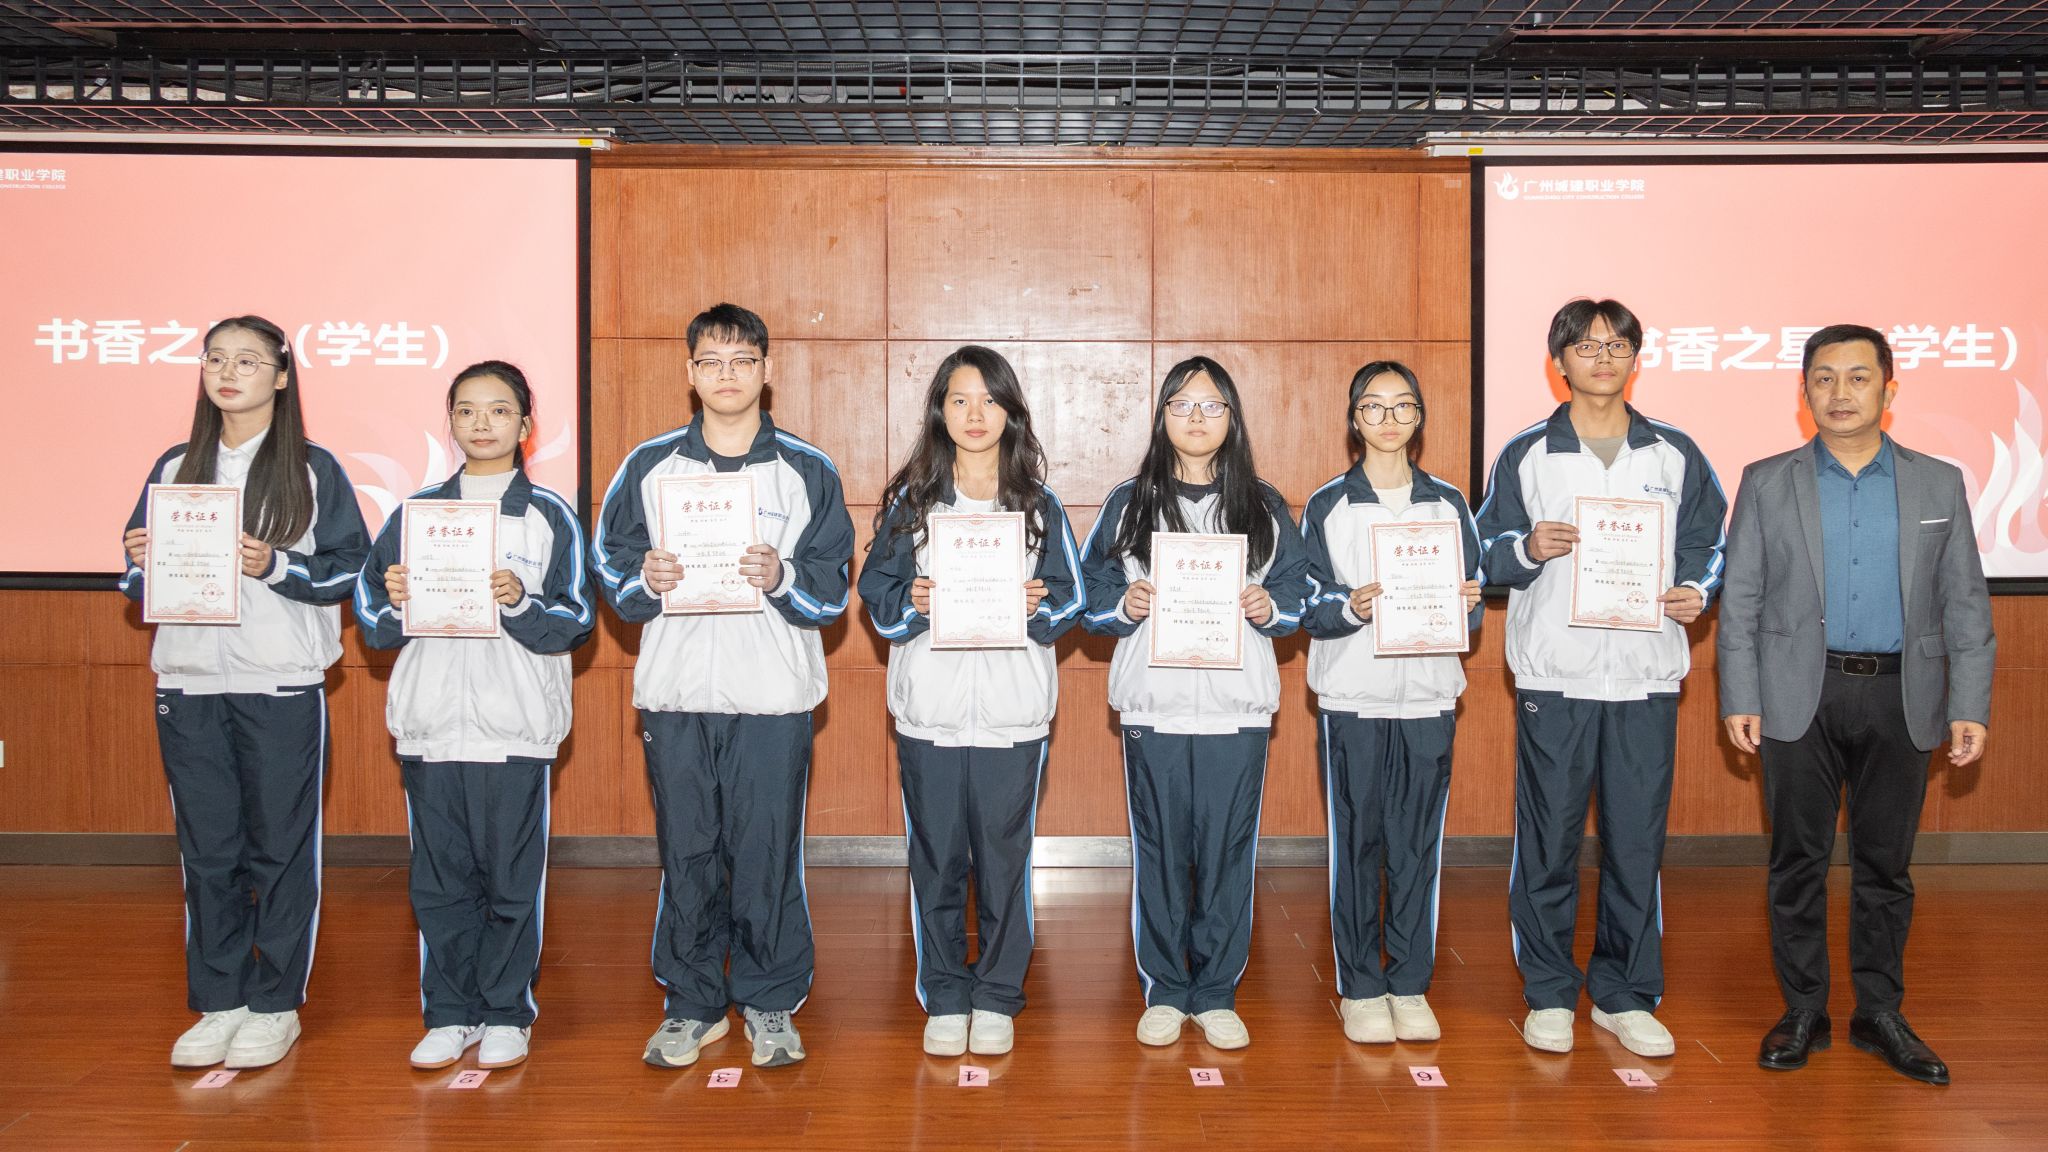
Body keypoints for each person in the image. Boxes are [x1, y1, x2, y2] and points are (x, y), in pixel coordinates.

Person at [1719, 324, 1993, 1085]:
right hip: (1795, 693)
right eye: (1824, 378)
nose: (1840, 393)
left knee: (1885, 866)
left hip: (1903, 694)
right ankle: (1803, 1008)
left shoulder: (1939, 483)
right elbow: (1740, 602)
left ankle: (1880, 1011)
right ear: (1804, 392)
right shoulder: (1766, 480)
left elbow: (1965, 602)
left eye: (1858, 377)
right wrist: (1740, 693)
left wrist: (1969, 703)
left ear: (1889, 389)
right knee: (1796, 861)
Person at [593, 302, 854, 1070]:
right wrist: (644, 577)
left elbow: (832, 588)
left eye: (743, 360)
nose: (727, 374)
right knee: (688, 851)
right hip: (677, 693)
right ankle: (693, 1001)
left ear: (767, 371)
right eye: (711, 361)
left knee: (766, 852)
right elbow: (612, 568)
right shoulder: (650, 465)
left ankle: (770, 998)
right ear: (690, 373)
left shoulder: (806, 469)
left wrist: (783, 575)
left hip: (773, 695)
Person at [1475, 298, 1726, 1059]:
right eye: (1586, 346)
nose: (1603, 358)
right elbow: (1483, 550)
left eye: (1617, 346)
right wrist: (1528, 548)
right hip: (1556, 677)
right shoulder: (1527, 453)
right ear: (1559, 362)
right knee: (1548, 841)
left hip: (1646, 677)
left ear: (1636, 359)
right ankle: (1550, 991)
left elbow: (1709, 544)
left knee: (1636, 844)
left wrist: (1697, 590)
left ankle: (1625, 995)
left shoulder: (1674, 451)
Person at [119, 315, 369, 1069]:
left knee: (280, 851)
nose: (228, 373)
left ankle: (275, 1004)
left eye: (249, 361)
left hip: (279, 682)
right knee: (207, 851)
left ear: (282, 376)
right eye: (216, 359)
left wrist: (276, 565)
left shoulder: (313, 468)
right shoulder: (175, 466)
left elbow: (350, 568)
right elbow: (133, 578)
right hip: (189, 681)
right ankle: (219, 1001)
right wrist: (140, 562)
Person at [356, 361, 594, 1072]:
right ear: (450, 423)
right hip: (431, 725)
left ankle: (507, 1012)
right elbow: (370, 618)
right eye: (466, 410)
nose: (481, 423)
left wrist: (520, 599)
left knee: (511, 881)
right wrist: (398, 597)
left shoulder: (548, 514)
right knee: (439, 882)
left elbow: (576, 621)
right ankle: (449, 1013)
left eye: (498, 410)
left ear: (526, 425)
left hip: (514, 726)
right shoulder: (415, 514)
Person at [1079, 356, 1312, 1051]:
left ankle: (1215, 992)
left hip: (1237, 709)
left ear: (1232, 419)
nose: (1197, 418)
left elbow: (1298, 593)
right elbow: (1089, 596)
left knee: (1227, 853)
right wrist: (1125, 603)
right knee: (1158, 850)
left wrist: (1270, 607)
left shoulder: (1263, 504)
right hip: (1154, 706)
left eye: (1212, 406)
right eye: (1182, 405)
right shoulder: (1129, 502)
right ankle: (1164, 989)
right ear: (1162, 417)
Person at [858, 345, 1084, 1058]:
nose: (975, 414)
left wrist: (1037, 606)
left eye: (990, 400)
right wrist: (915, 601)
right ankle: (946, 993)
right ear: (940, 412)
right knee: (937, 859)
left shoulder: (1039, 507)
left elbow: (1072, 598)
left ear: (1011, 412)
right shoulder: (913, 503)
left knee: (1005, 862)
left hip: (1013, 716)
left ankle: (997, 994)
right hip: (931, 711)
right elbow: (877, 596)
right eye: (960, 400)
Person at [1299, 360, 1483, 1045]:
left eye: (1402, 406)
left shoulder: (1449, 503)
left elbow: (1472, 602)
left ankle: (1408, 983)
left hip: (1429, 697)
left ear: (1419, 418)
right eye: (1372, 407)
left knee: (1416, 846)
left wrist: (1465, 603)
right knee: (1357, 844)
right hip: (1354, 696)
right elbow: (1306, 602)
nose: (1388, 419)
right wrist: (1350, 605)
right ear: (1354, 421)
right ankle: (1360, 987)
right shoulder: (1329, 504)